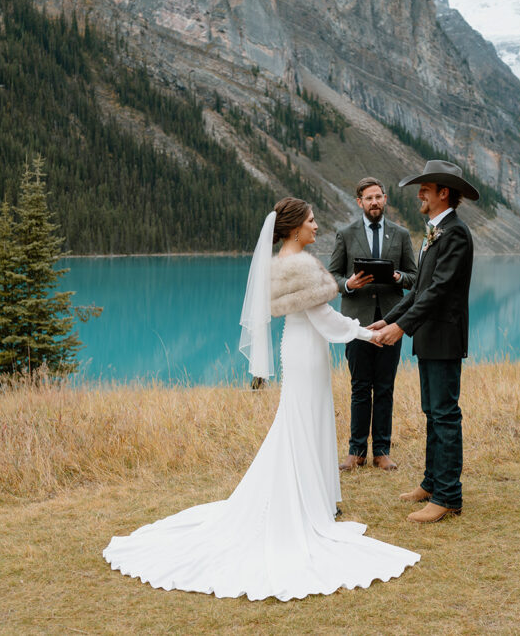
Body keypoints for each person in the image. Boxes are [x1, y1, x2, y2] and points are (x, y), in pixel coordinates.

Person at [102, 198, 420, 601]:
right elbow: (327, 319)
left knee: (301, 420)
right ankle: (306, 506)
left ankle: (313, 499)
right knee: (303, 420)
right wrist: (369, 333)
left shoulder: (285, 261)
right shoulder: (301, 264)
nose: (317, 226)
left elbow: (314, 316)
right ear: (292, 228)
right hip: (306, 352)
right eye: (310, 221)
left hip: (300, 346)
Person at [370, 160, 477, 524]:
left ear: (442, 192)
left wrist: (401, 329)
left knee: (445, 415)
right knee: (432, 413)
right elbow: (418, 289)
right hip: (430, 337)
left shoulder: (456, 234)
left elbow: (439, 291)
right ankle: (431, 483)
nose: (420, 194)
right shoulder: (435, 232)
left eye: (425, 189)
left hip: (444, 337)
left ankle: (449, 497)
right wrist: (389, 318)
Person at [328, 178, 417, 472]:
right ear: (359, 202)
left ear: (385, 199)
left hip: (391, 322)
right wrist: (350, 284)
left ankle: (381, 451)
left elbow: (415, 278)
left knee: (385, 387)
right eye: (368, 198)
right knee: (359, 386)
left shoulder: (401, 235)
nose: (374, 202)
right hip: (356, 324)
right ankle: (356, 452)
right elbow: (332, 278)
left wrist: (398, 278)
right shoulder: (345, 234)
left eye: (378, 197)